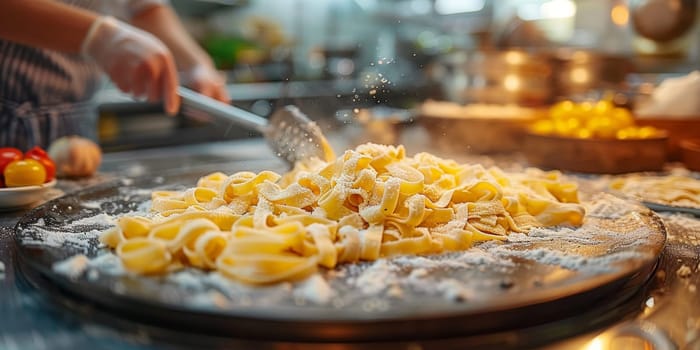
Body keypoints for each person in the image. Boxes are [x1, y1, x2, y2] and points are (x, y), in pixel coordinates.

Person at [0, 0, 229, 175]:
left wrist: (196, 64)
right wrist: (98, 35)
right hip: (7, 123)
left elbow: (143, 6)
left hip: (78, 125)